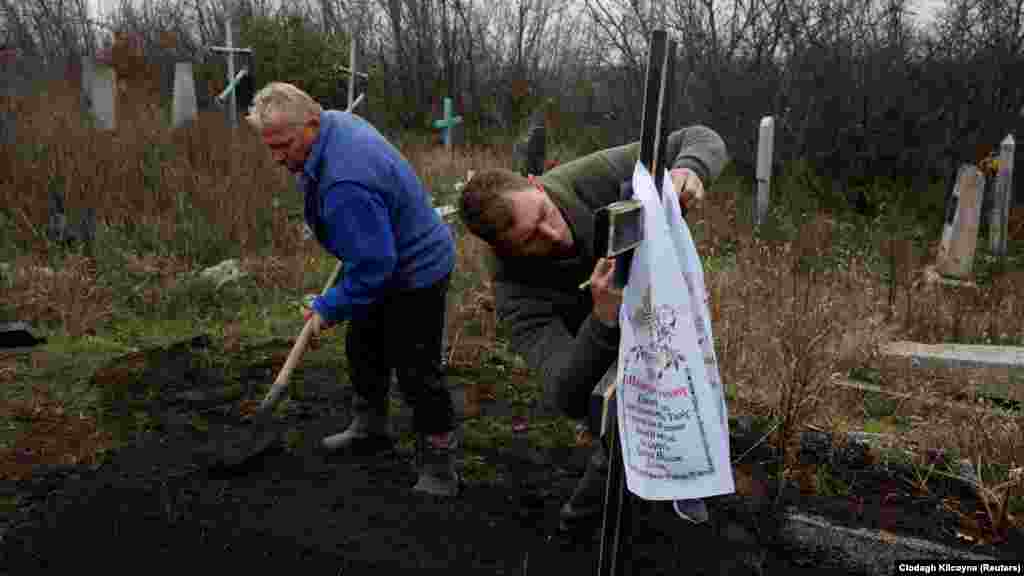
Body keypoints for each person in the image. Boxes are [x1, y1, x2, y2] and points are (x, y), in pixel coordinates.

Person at [458, 125, 728, 530]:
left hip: (657, 315)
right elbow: (564, 392)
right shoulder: (515, 291)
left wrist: (690, 170)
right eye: (531, 239)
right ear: (504, 250)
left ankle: (684, 478)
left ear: (537, 185)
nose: (553, 235)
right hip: (597, 352)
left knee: (685, 391)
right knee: (617, 425)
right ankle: (583, 519)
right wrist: (601, 319)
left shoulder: (585, 177)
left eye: (545, 215)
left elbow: (700, 136)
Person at [245, 82, 460, 497]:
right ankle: (371, 428)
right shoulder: (334, 124)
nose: (276, 158)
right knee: (363, 346)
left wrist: (330, 305)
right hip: (380, 251)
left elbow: (376, 266)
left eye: (283, 146)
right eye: (269, 147)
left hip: (416, 269)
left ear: (310, 124)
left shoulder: (345, 180)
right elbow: (370, 253)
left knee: (417, 370)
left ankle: (439, 467)